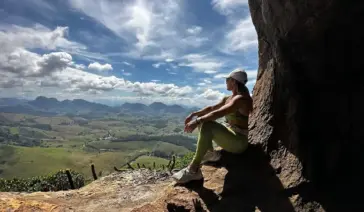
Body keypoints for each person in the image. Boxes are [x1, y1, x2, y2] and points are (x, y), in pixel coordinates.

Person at [172, 68, 253, 184]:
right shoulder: (228, 98)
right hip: (232, 136)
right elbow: (211, 108)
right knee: (206, 122)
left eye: (227, 79)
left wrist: (197, 121)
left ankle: (193, 170)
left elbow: (219, 113)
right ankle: (211, 155)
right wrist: (194, 114)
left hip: (239, 142)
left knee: (207, 124)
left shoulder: (241, 99)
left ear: (233, 81)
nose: (226, 82)